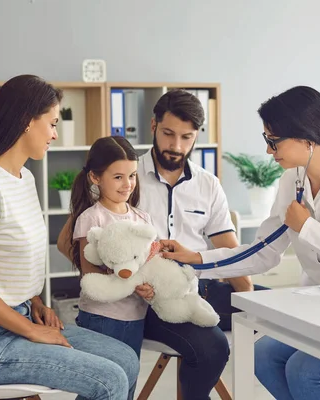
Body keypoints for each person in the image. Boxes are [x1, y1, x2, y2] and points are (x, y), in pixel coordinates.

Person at [160, 86, 320, 400]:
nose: (269, 151)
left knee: (303, 372)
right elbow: (264, 251)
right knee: (262, 356)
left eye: (273, 140)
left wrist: (307, 227)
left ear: (307, 138)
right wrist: (196, 259)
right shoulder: (292, 180)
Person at [0, 74, 138, 400]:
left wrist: (34, 304)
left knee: (126, 361)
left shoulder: (23, 179)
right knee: (109, 380)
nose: (56, 134)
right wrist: (31, 330)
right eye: (52, 123)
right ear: (26, 121)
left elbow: (4, 266)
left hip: (17, 317)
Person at [58, 89, 261, 399]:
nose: (176, 146)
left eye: (187, 137)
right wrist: (119, 276)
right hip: (146, 301)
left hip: (196, 286)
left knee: (278, 312)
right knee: (212, 346)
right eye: (168, 134)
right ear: (153, 126)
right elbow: (67, 242)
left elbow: (230, 254)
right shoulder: (124, 174)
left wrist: (250, 299)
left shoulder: (208, 184)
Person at [66, 135, 154, 360]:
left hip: (135, 317)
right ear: (95, 177)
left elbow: (150, 265)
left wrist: (150, 287)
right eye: (118, 177)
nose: (128, 184)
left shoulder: (142, 219)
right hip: (101, 317)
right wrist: (132, 283)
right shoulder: (91, 218)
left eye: (132, 176)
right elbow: (89, 273)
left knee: (128, 382)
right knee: (106, 386)